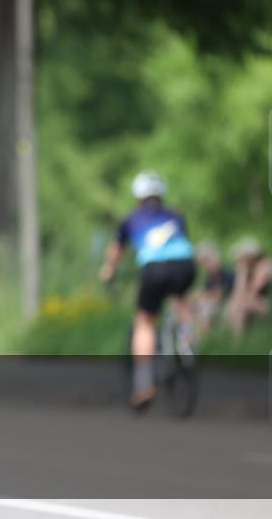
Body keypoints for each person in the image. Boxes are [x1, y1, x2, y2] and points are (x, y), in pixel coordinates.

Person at [98, 171, 196, 410]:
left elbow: (116, 251)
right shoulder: (176, 216)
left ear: (138, 196)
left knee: (145, 321)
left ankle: (143, 383)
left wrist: (109, 271)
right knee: (180, 299)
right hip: (185, 266)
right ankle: (186, 340)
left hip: (154, 270)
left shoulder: (131, 220)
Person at [223, 237, 272, 340]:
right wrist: (241, 273)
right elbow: (237, 293)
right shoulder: (246, 269)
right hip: (249, 303)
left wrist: (242, 273)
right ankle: (236, 345)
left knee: (236, 307)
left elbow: (254, 291)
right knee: (237, 310)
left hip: (266, 305)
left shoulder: (265, 266)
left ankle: (235, 345)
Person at [192, 242, 234, 335]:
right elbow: (202, 293)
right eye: (204, 262)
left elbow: (221, 294)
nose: (206, 265)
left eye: (207, 260)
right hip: (213, 306)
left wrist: (203, 296)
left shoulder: (226, 273)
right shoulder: (209, 277)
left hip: (227, 305)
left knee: (205, 310)